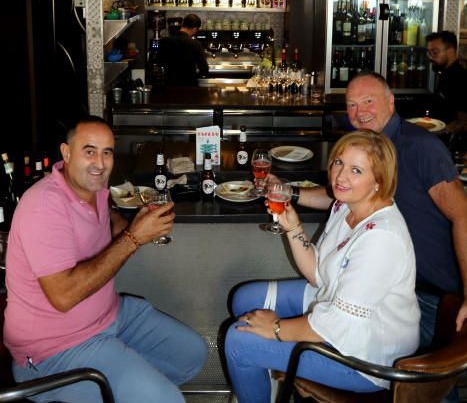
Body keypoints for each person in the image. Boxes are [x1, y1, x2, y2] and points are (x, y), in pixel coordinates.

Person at [4, 116, 208, 403]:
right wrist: (133, 238)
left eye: (107, 152)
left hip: (109, 316)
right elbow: (63, 295)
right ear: (66, 153)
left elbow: (107, 220)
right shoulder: (43, 206)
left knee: (191, 353)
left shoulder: (95, 188)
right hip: (54, 350)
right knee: (168, 400)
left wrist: (134, 225)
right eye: (89, 151)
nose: (100, 163)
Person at [225, 131, 420, 403]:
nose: (340, 177)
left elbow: (335, 325)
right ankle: (263, 377)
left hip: (367, 358)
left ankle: (256, 373)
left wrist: (277, 328)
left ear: (379, 181)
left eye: (356, 170)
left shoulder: (381, 239)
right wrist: (293, 227)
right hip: (333, 310)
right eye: (338, 163)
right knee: (244, 299)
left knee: (238, 341)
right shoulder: (346, 205)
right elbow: (318, 275)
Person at [292, 72, 467, 349]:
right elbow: (344, 197)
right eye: (351, 104)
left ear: (391, 102)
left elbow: (463, 215)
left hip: (432, 291)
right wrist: (290, 194)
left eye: (368, 101)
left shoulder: (420, 146)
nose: (359, 112)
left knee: (426, 383)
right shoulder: (364, 146)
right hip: (383, 287)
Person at [426, 30, 467, 132]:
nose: (430, 57)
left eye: (435, 52)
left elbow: (462, 122)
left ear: (451, 51)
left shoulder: (459, 79)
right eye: (429, 53)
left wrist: (440, 133)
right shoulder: (445, 74)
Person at [156, 13, 209, 86]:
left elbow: (159, 62)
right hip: (189, 87)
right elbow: (204, 69)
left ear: (183, 24)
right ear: (194, 29)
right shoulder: (196, 44)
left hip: (170, 85)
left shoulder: (164, 41)